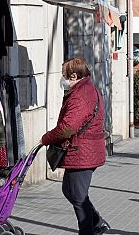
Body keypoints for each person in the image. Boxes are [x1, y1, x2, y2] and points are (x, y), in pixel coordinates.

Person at [41, 58, 109, 235]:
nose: (62, 80)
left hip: (82, 151)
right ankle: (97, 222)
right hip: (86, 150)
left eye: (64, 76)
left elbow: (68, 127)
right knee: (70, 191)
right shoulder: (87, 89)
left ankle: (89, 229)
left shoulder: (80, 95)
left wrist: (46, 138)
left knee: (77, 196)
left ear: (73, 76)